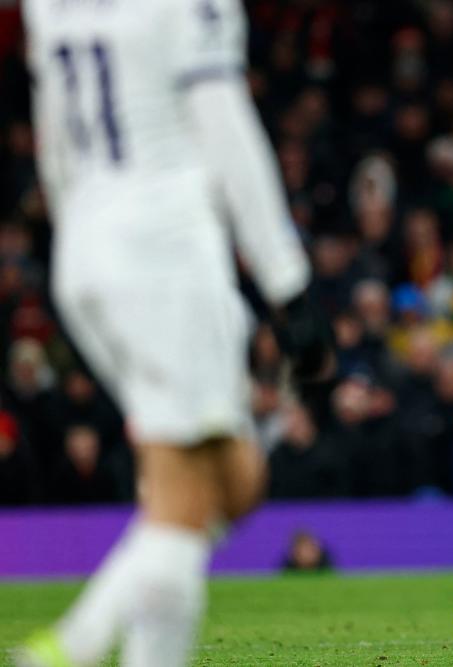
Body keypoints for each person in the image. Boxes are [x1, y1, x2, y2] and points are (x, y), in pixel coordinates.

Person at [15, 1, 329, 665]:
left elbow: (55, 140)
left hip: (85, 245)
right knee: (197, 496)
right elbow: (225, 126)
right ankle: (66, 649)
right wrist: (287, 279)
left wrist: (79, 248)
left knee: (221, 485)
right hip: (164, 247)